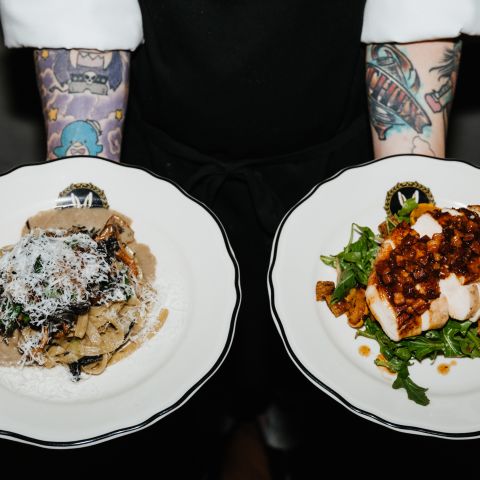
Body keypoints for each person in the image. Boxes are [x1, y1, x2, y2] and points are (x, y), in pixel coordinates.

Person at [0, 0, 476, 475]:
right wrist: (80, 228)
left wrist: (421, 235)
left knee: (326, 411)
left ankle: (287, 436)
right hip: (164, 167)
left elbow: (418, 13)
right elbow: (78, 17)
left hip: (332, 162)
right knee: (176, 412)